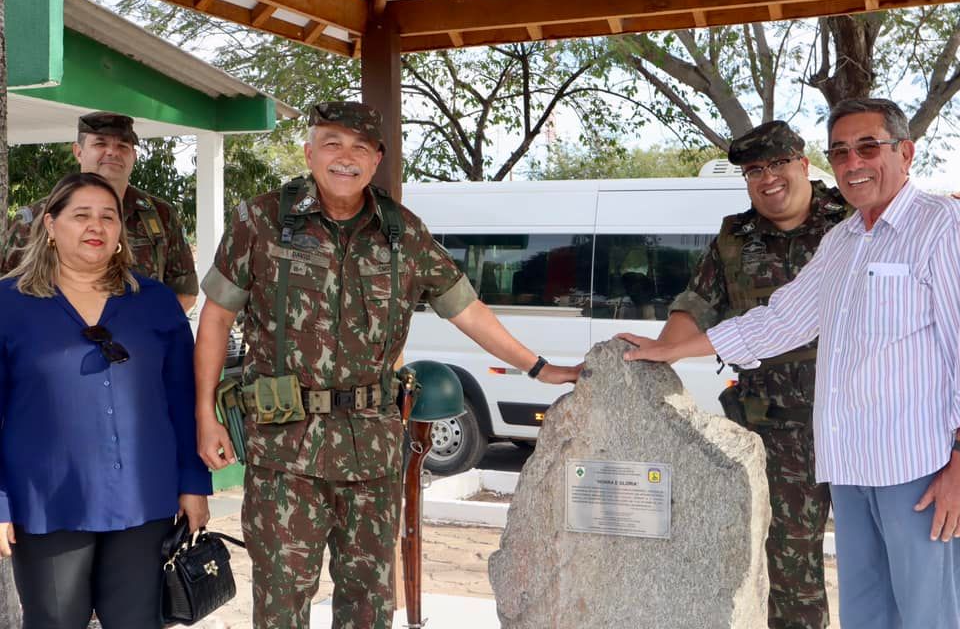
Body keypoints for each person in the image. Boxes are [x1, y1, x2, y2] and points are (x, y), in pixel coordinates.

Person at [193, 101, 581, 628]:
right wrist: (206, 416)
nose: (345, 158)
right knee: (281, 602)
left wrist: (539, 368)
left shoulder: (405, 234)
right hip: (285, 450)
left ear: (377, 159)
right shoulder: (260, 220)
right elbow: (214, 320)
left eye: (360, 148)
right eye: (331, 144)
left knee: (369, 604)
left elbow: (467, 310)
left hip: (371, 453)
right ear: (309, 152)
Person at [620, 98, 960, 628]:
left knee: (929, 613)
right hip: (847, 463)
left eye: (868, 146)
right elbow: (780, 320)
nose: (853, 162)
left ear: (906, 152)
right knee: (868, 613)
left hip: (916, 467)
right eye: (841, 151)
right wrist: (672, 349)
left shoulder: (943, 227)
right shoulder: (844, 240)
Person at [621, 121, 846, 628]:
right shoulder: (733, 238)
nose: (767, 179)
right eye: (753, 171)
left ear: (803, 163)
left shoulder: (852, 219)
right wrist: (664, 350)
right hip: (775, 427)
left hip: (858, 422)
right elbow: (697, 304)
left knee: (884, 554)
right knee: (789, 567)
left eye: (777, 165)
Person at [0, 172, 212, 628]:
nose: (96, 226)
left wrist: (193, 483)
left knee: (136, 621)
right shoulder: (9, 303)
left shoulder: (154, 301)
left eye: (107, 217)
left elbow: (182, 398)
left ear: (119, 232)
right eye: (81, 215)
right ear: (50, 226)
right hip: (48, 501)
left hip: (143, 498)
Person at [0, 111, 199, 312]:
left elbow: (185, 292)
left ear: (134, 156)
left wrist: (147, 330)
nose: (112, 152)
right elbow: (8, 292)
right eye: (100, 144)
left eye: (122, 146)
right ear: (78, 152)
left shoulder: (161, 215)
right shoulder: (34, 218)